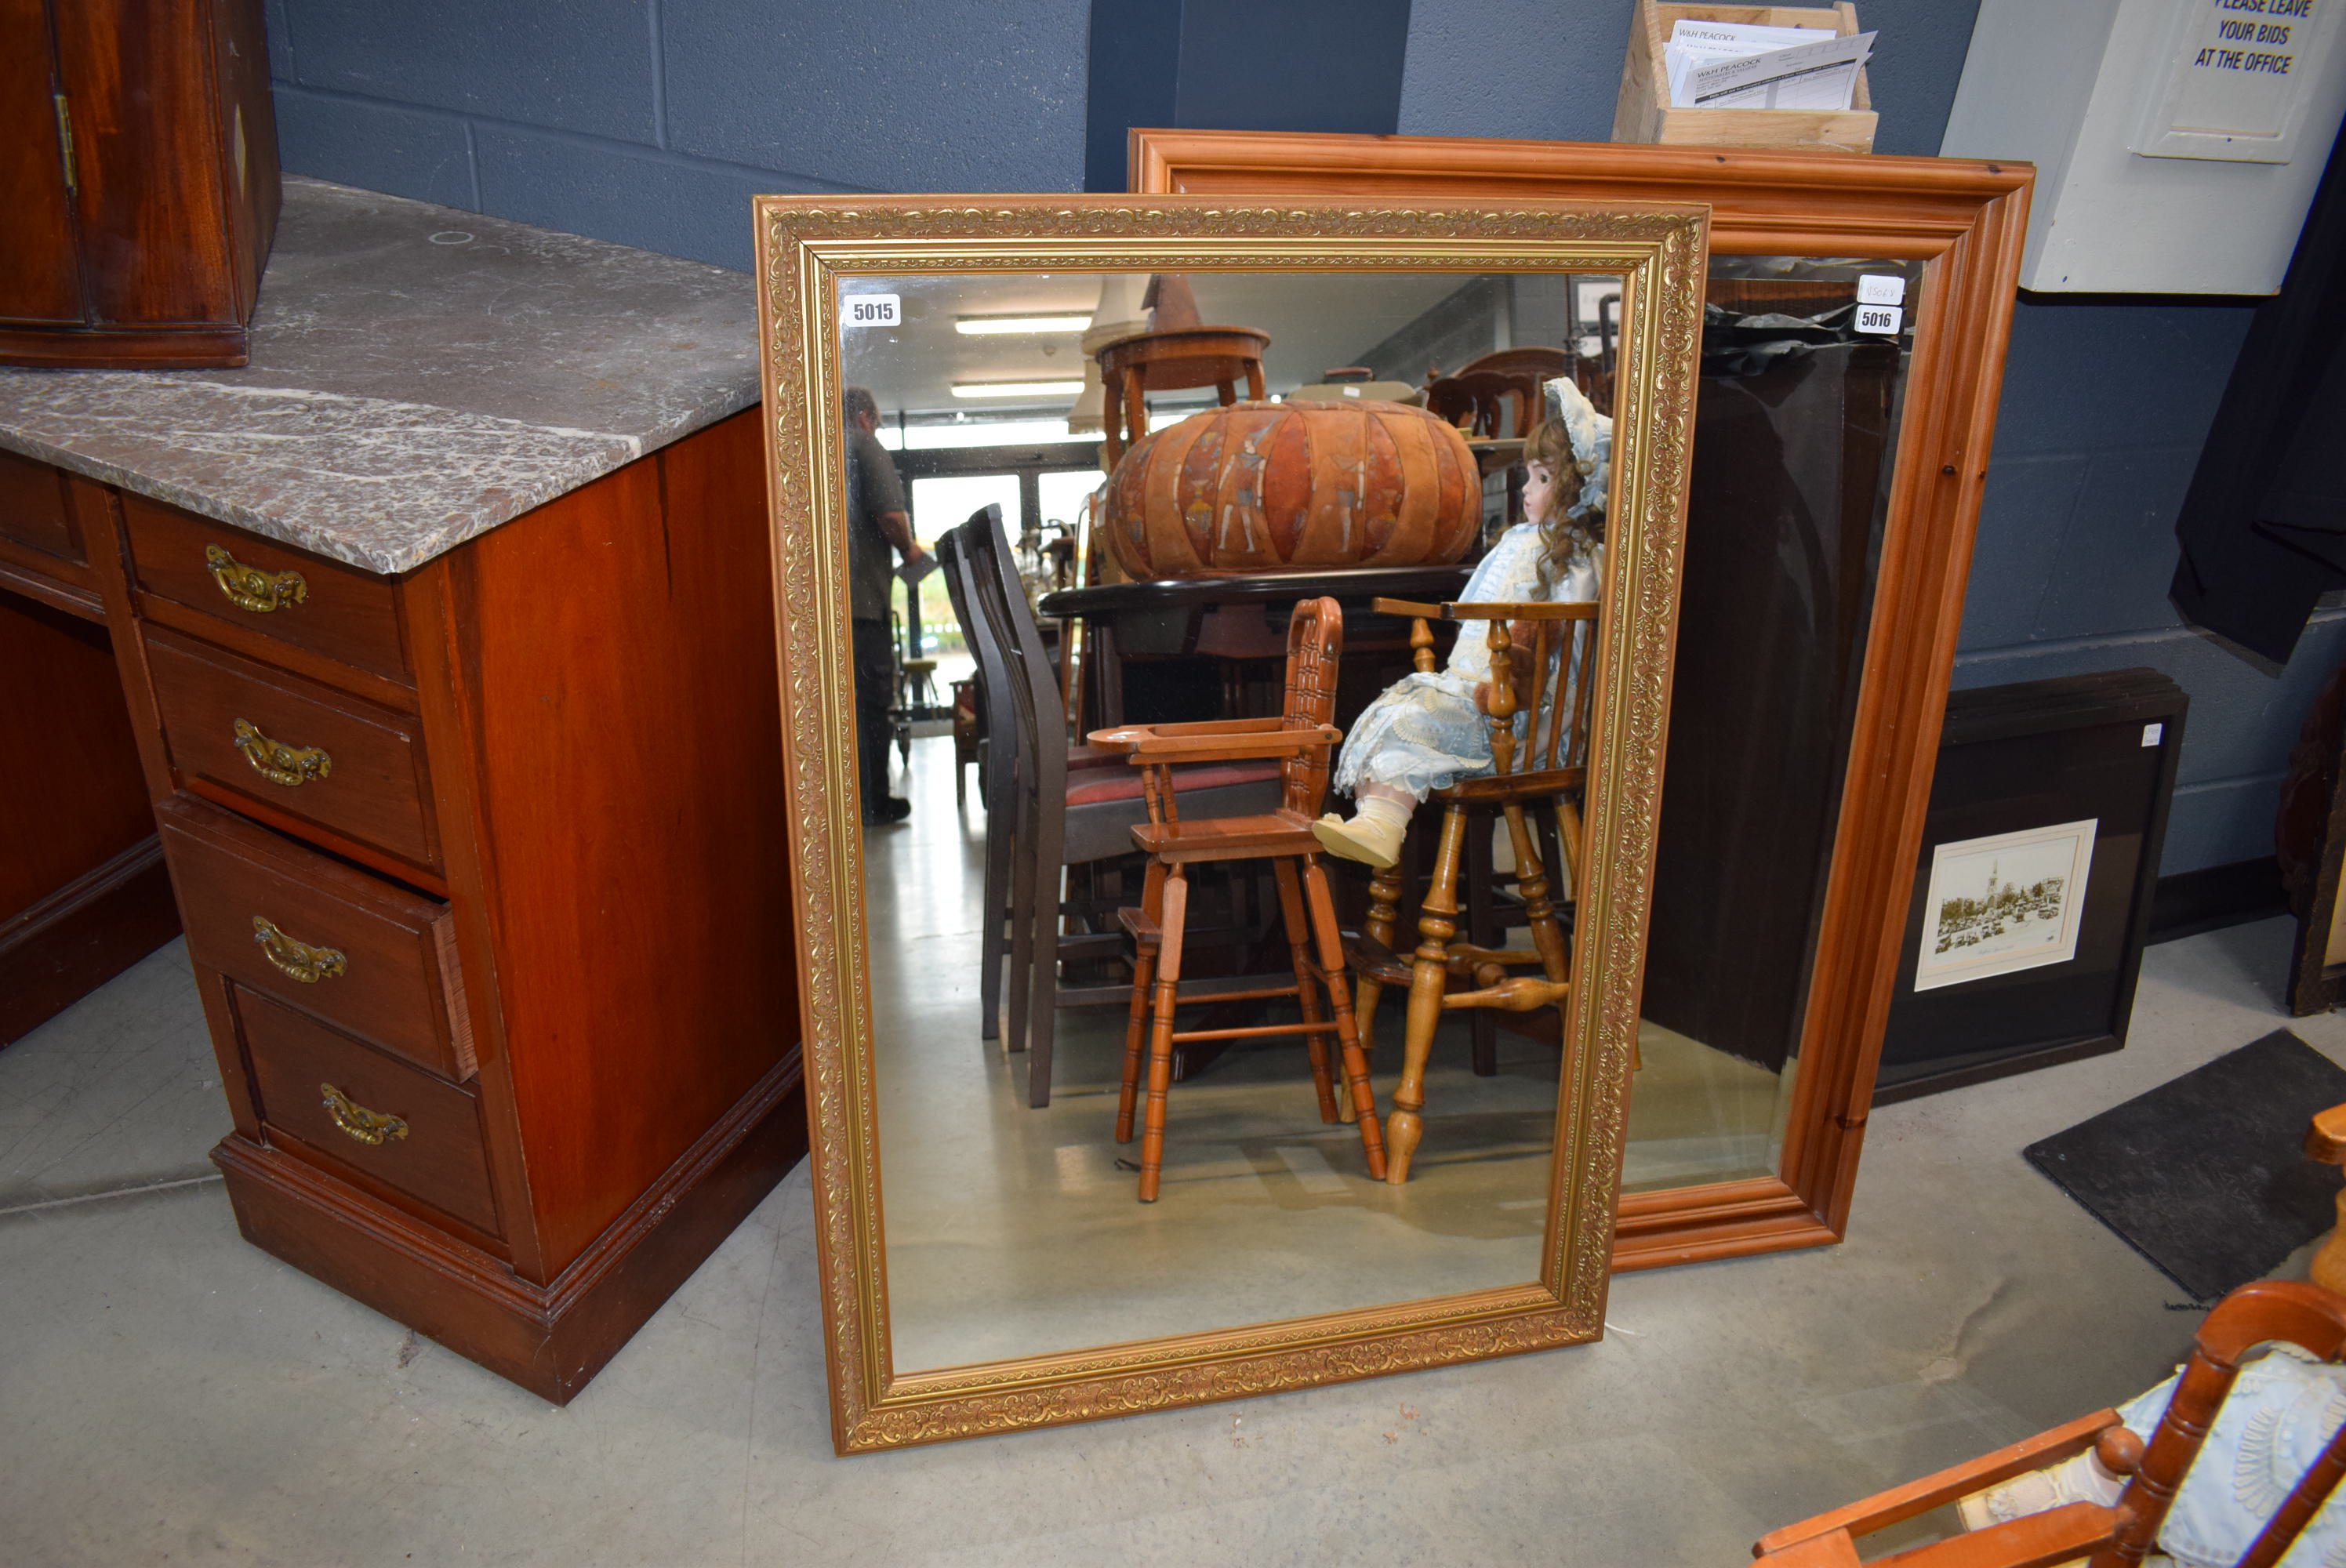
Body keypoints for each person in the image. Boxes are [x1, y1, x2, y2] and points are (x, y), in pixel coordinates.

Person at [1311, 376, 1611, 869]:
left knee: (1416, 718)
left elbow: (1559, 631)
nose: (1526, 487)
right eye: (1527, 474)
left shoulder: (1579, 559)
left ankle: (1383, 823)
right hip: (1479, 693)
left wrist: (1513, 662)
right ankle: (1379, 821)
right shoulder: (1519, 540)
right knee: (1400, 708)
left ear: (1579, 486)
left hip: (1523, 715)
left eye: (1542, 477)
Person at [844, 387, 927, 826]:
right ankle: (874, 801)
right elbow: (891, 517)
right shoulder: (864, 443)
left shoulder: (816, 449)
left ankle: (848, 804)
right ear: (865, 417)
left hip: (831, 608)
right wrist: (910, 550)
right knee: (872, 706)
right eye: (876, 422)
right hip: (863, 608)